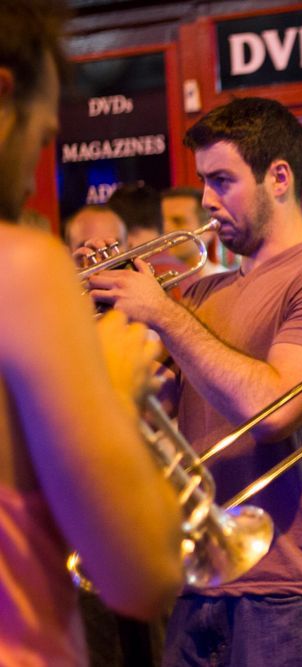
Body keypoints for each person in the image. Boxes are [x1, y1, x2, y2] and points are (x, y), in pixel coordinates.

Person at [87, 96, 302, 665]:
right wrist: (102, 310)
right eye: (203, 181)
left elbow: (274, 410)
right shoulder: (203, 291)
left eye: (222, 180)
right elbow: (134, 406)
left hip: (289, 591)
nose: (205, 201)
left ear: (278, 178)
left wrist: (164, 315)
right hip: (200, 580)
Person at [0, 1, 182, 663]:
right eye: (41, 135)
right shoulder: (22, 270)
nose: (32, 170)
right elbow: (144, 574)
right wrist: (113, 393)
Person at [161, 185, 225, 273]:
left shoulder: (226, 283)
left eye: (178, 221)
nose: (165, 230)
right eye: (161, 222)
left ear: (208, 230)